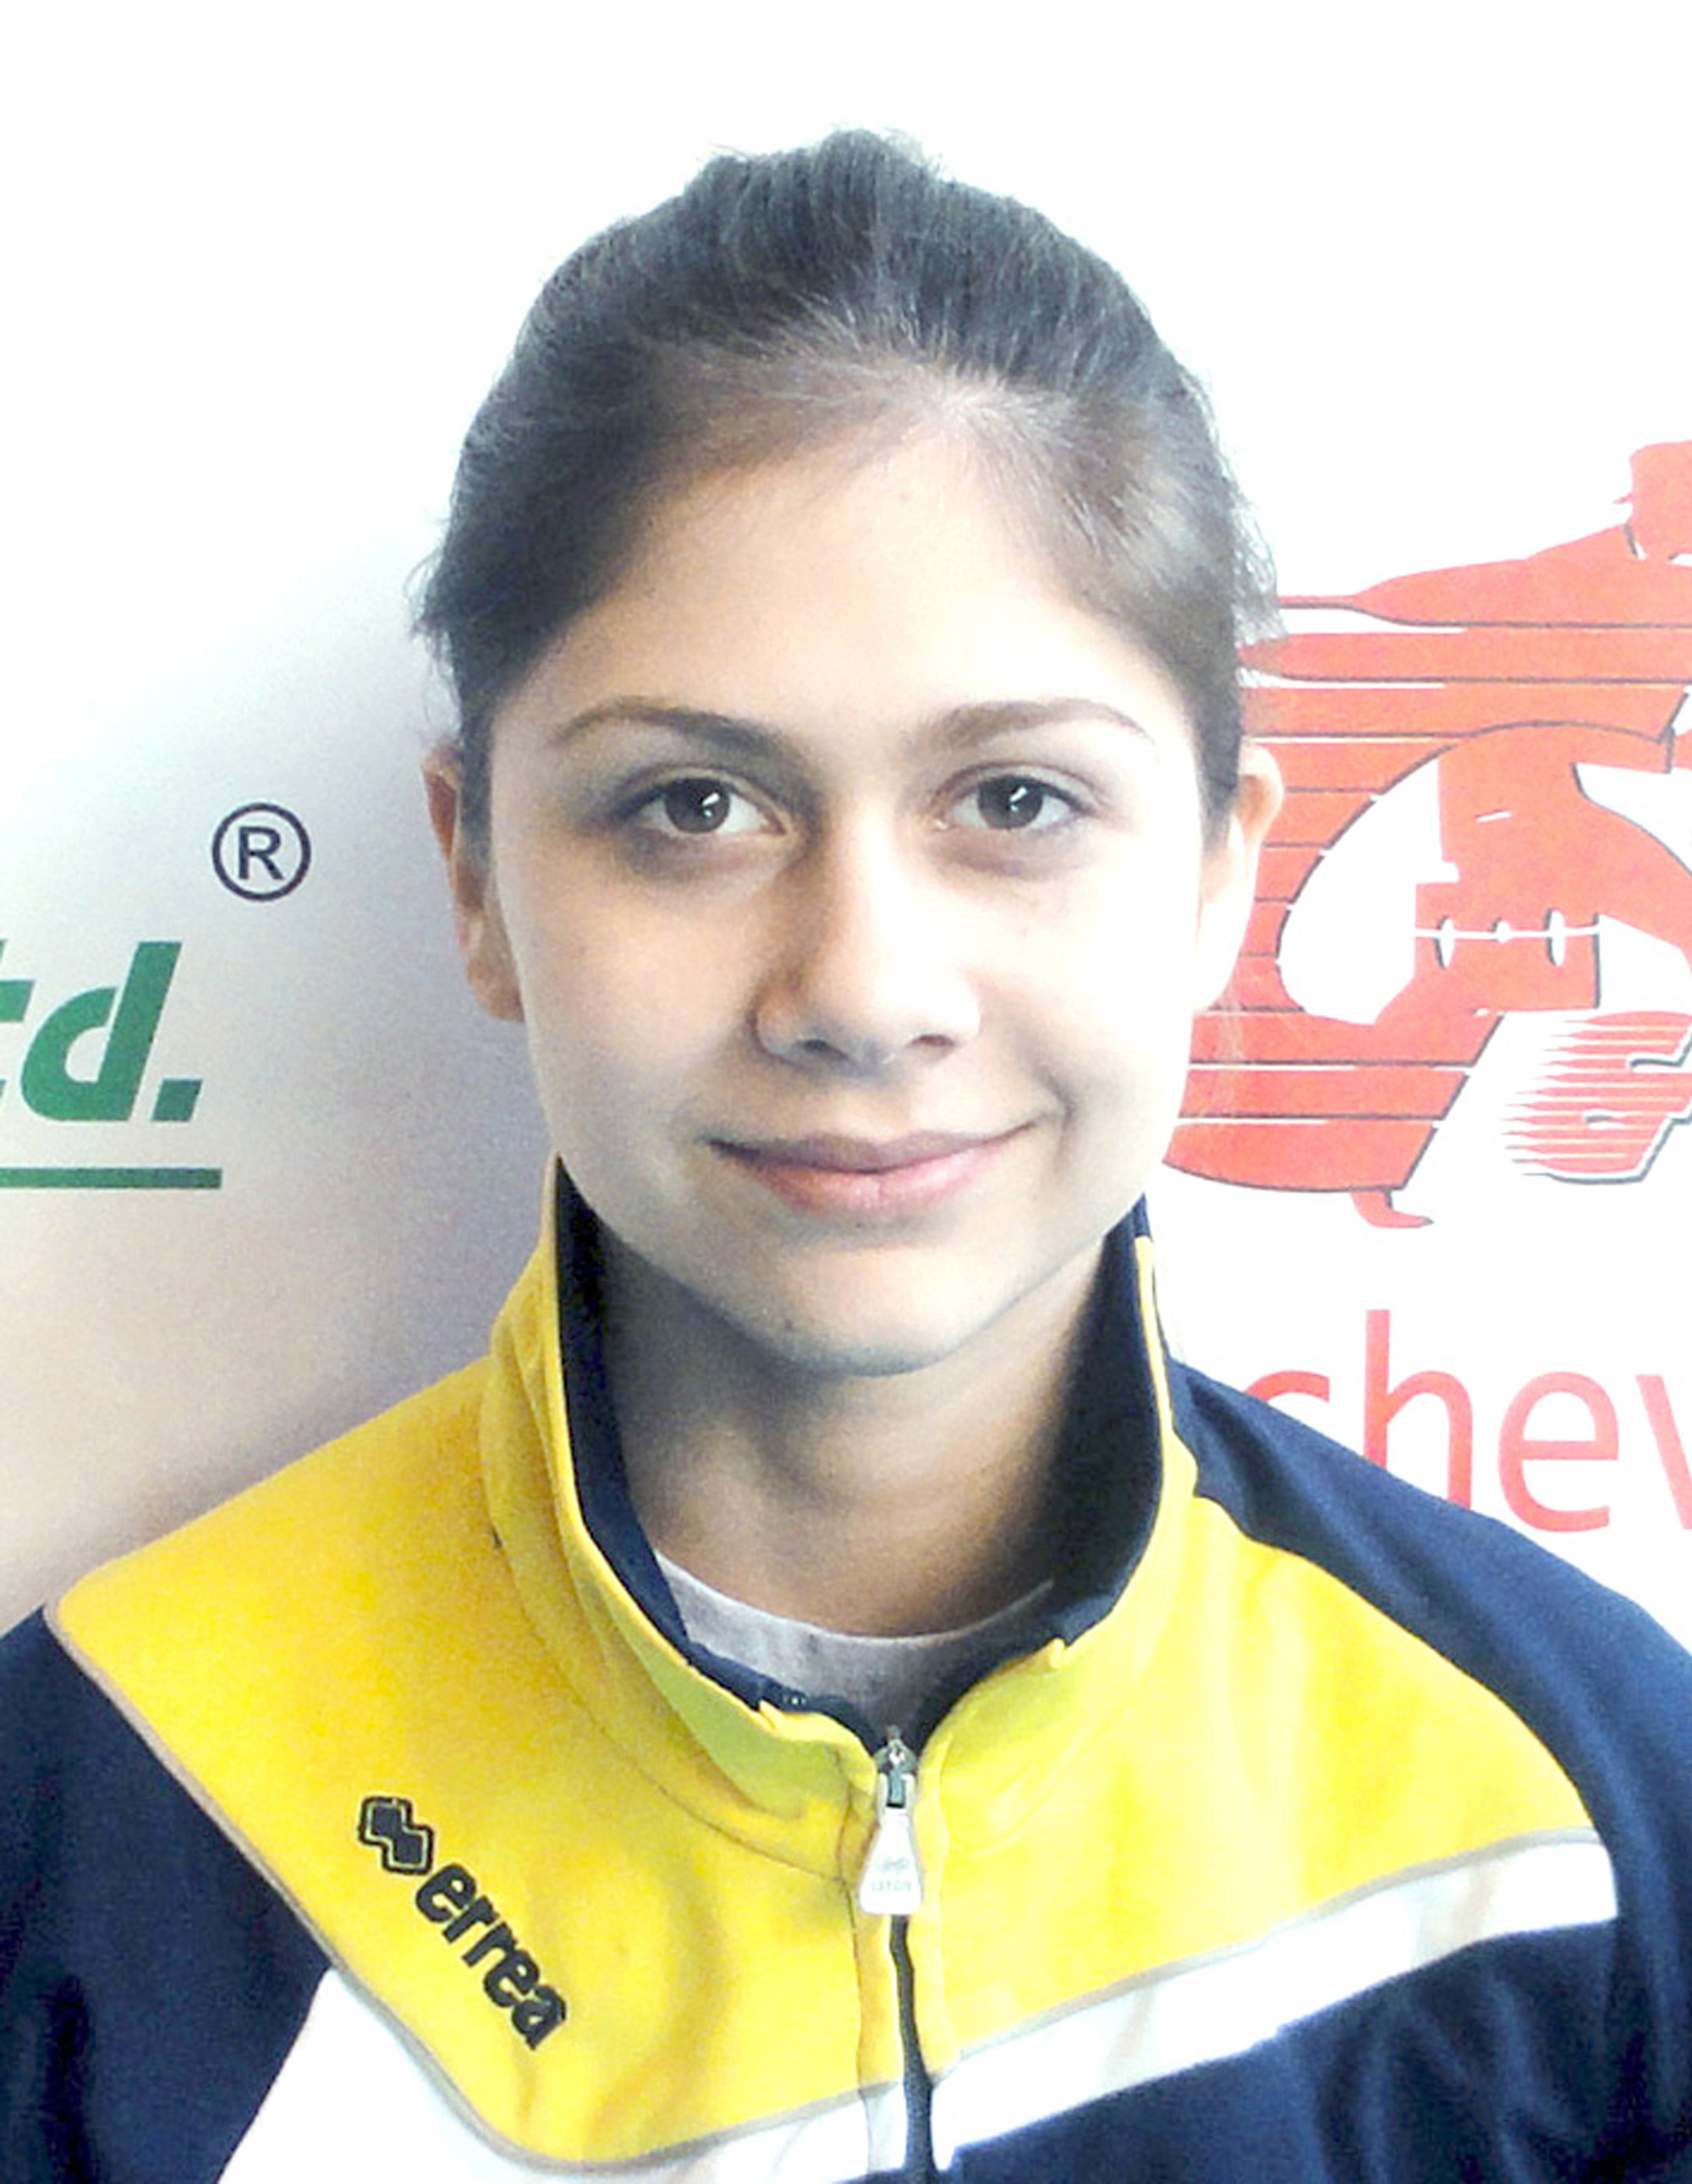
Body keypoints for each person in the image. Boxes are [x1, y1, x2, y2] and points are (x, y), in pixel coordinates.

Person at [5, 132, 1692, 2184]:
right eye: (693, 806)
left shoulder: (1589, 1823)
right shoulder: (99, 1820)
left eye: (1014, 798)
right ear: (474, 876)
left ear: (1219, 873)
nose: (863, 989)